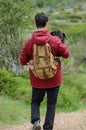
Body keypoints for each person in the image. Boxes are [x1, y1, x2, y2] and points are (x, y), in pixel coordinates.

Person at [20, 12, 69, 130]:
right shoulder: (55, 40)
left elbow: (22, 61)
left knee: (35, 102)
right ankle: (48, 128)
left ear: (35, 23)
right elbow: (66, 54)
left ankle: (36, 122)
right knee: (51, 105)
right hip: (54, 78)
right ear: (47, 24)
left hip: (37, 80)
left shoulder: (29, 42)